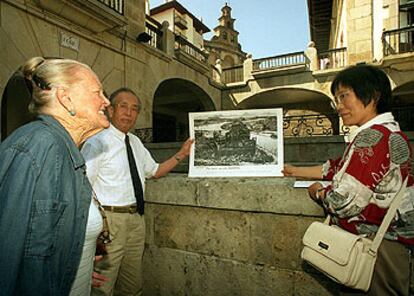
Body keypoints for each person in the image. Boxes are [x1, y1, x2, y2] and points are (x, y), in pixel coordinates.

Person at [283, 64, 414, 295]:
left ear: (373, 95)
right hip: (392, 245)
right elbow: (337, 167)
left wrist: (317, 191)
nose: (339, 106)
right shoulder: (390, 132)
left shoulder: (373, 138)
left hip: (375, 249)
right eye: (336, 99)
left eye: (344, 96)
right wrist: (295, 171)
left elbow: (342, 202)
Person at [0, 56, 110, 296]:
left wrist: (72, 267)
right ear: (65, 97)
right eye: (98, 92)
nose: (106, 101)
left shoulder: (63, 149)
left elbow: (39, 247)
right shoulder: (40, 146)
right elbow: (6, 261)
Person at [81, 87, 193, 296]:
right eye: (123, 106)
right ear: (110, 110)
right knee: (102, 286)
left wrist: (182, 153)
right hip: (109, 223)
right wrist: (93, 231)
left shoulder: (135, 142)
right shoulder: (97, 143)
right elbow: (83, 189)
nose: (129, 113)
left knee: (132, 284)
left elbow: (155, 171)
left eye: (134, 109)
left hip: (135, 220)